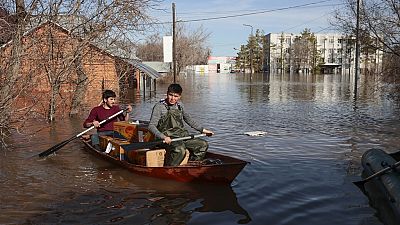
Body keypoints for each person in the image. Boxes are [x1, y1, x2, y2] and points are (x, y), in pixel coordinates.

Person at [148, 83, 214, 166]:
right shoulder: (159, 107)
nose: (172, 98)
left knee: (203, 145)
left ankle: (192, 165)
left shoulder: (180, 105)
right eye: (170, 95)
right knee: (180, 149)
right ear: (167, 93)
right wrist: (163, 137)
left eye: (176, 96)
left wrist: (203, 130)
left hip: (181, 136)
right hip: (166, 139)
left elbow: (189, 120)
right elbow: (151, 126)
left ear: (179, 96)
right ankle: (170, 169)